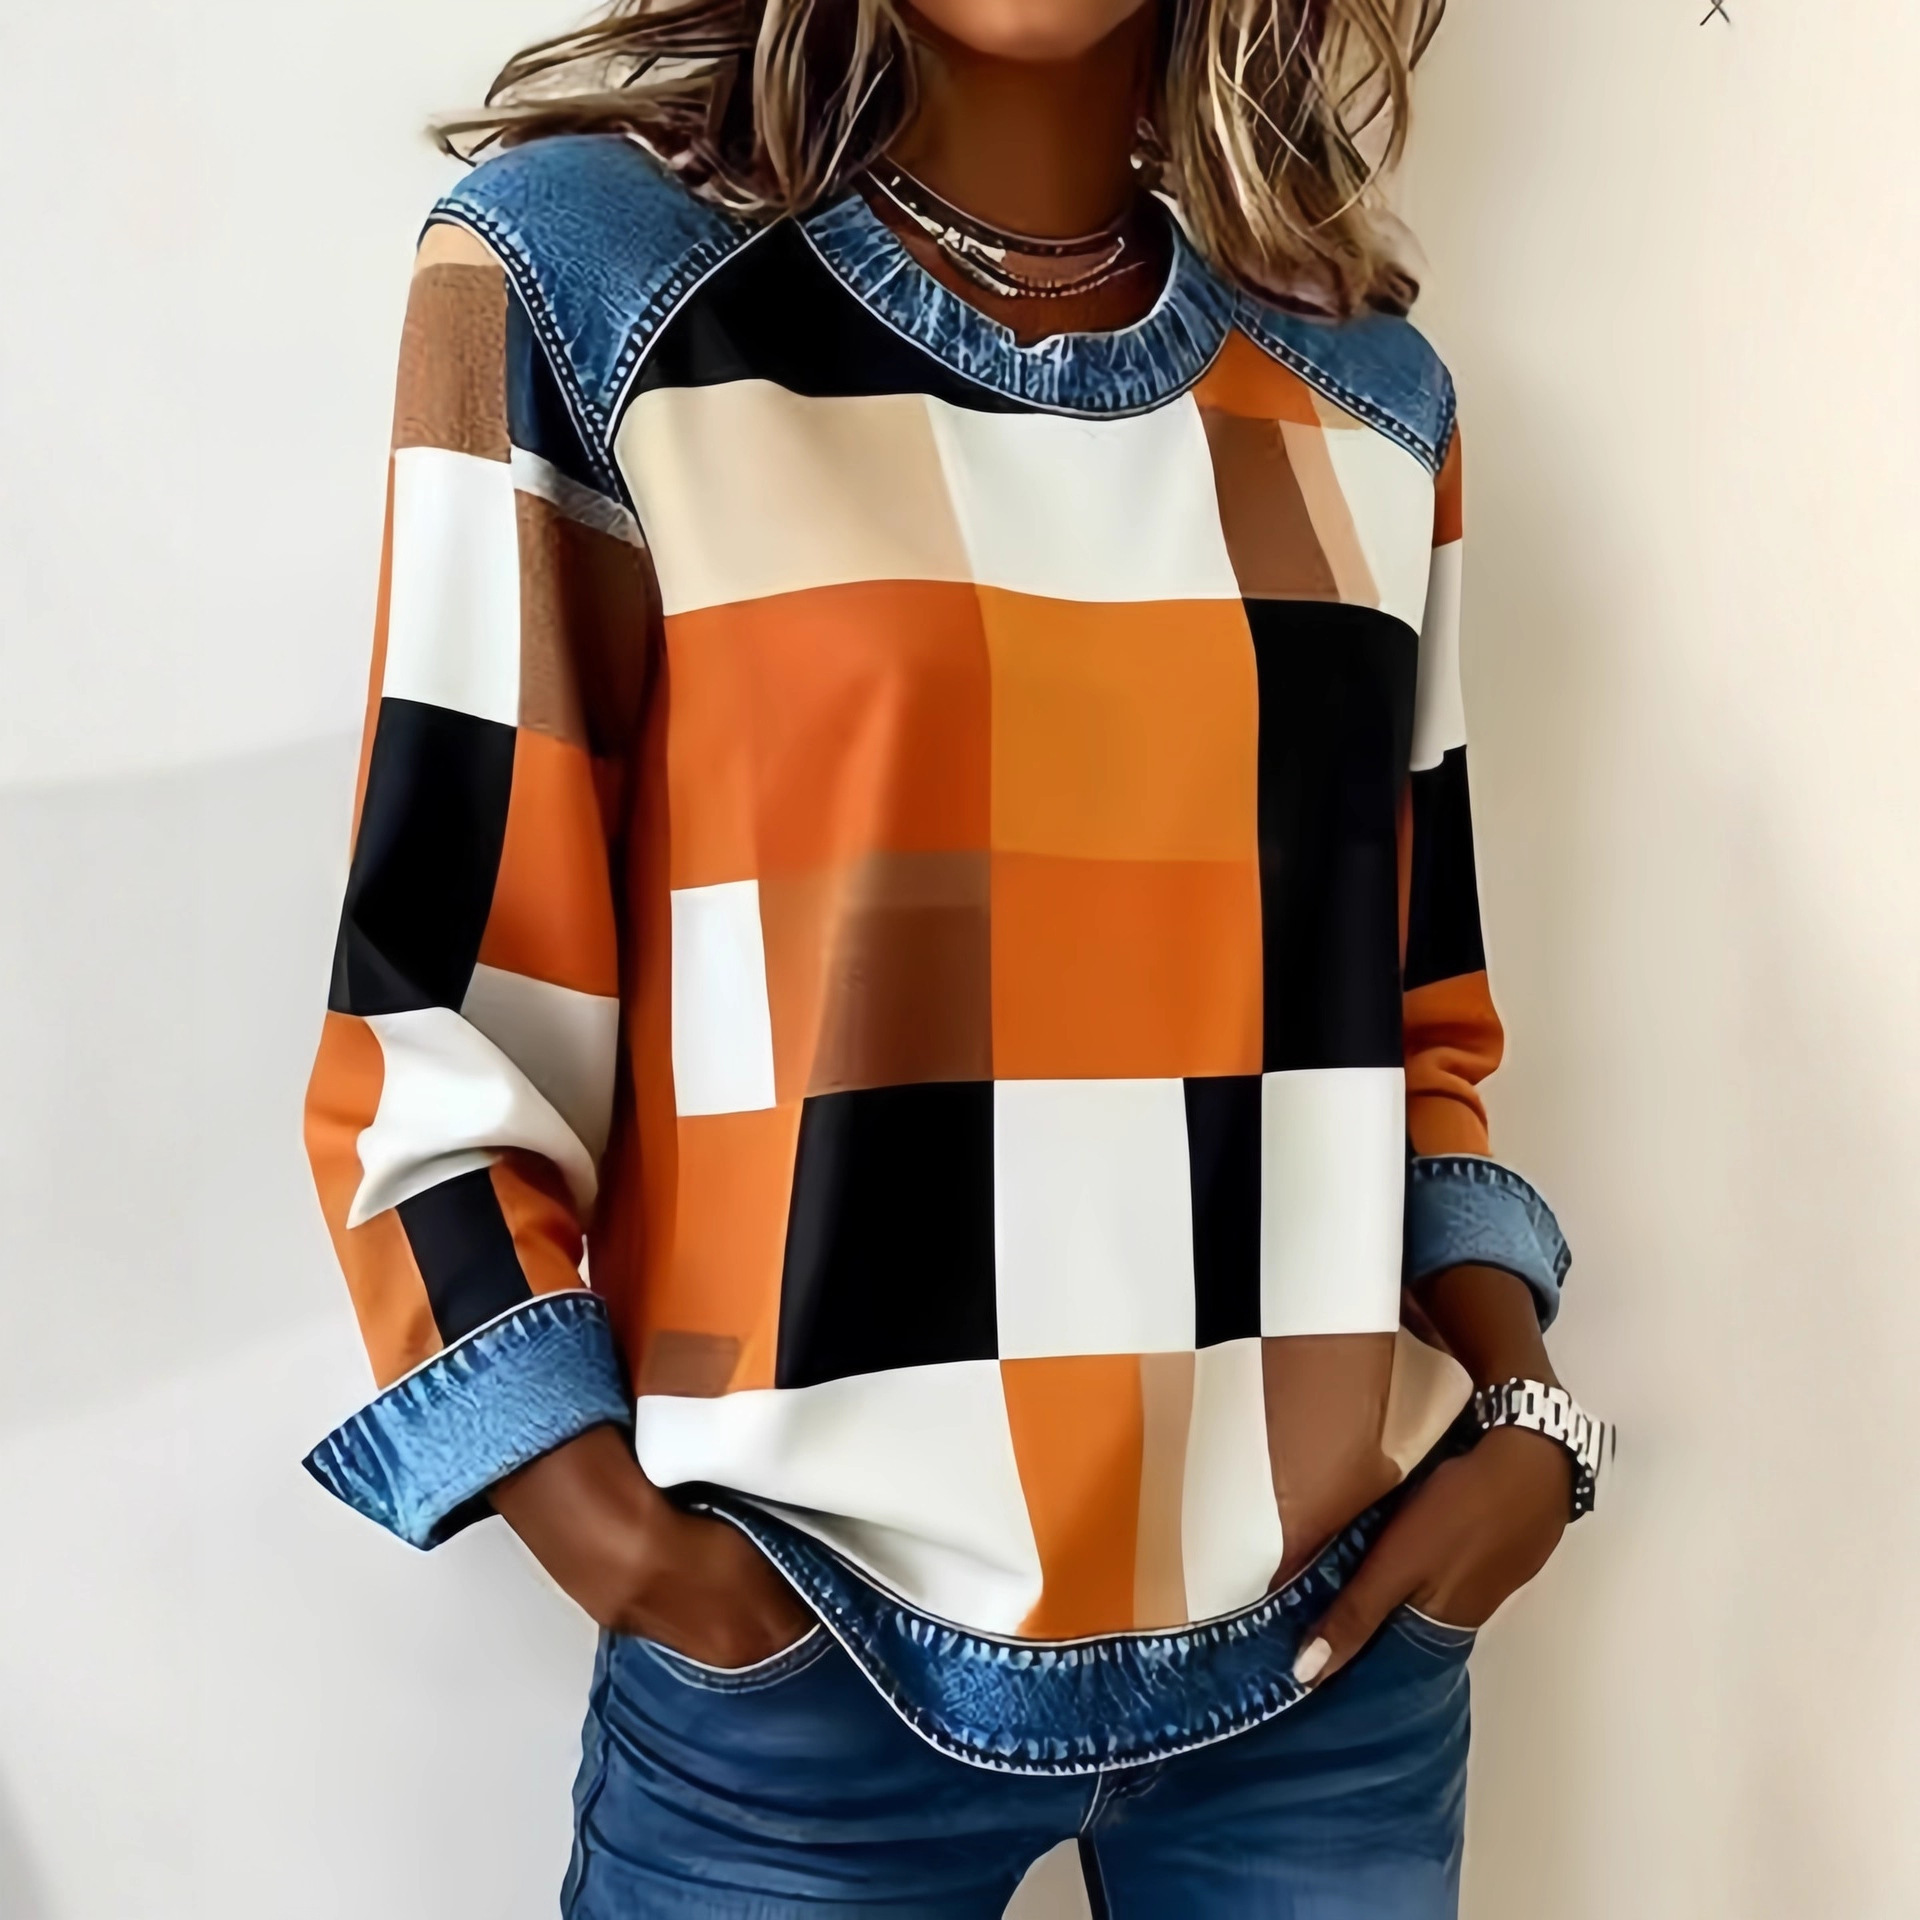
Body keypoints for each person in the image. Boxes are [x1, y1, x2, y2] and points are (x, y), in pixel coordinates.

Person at [301, 1, 1608, 1911]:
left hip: (1334, 1662)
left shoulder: (1369, 396)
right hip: (802, 1666)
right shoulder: (594, 289)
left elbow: (1409, 1028)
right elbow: (443, 1007)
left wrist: (1526, 1426)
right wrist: (627, 1550)